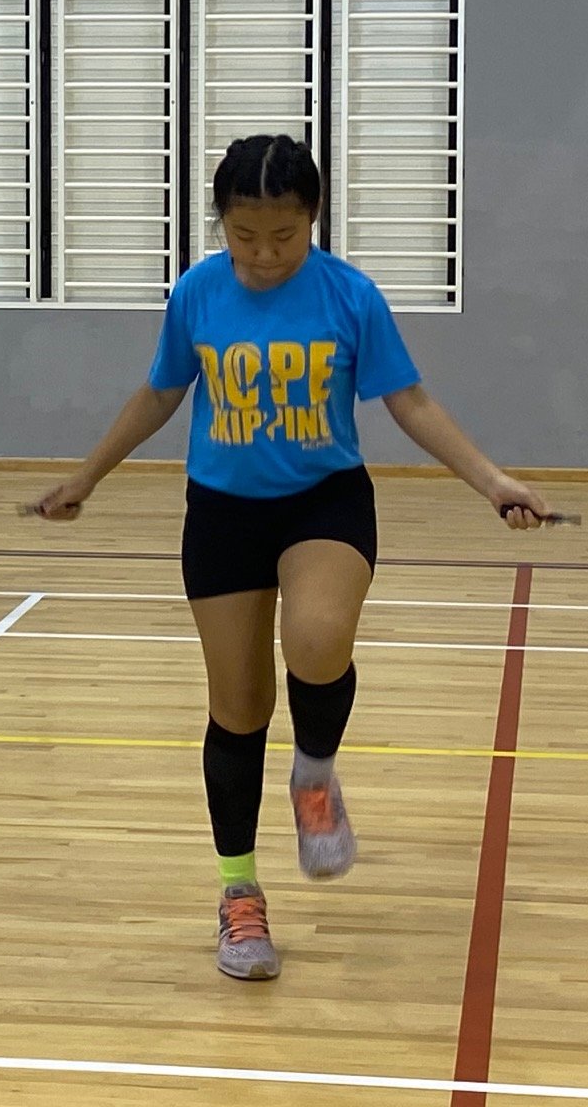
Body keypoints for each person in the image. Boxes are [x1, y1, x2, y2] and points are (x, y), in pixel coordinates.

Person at [30, 134, 551, 980]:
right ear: (221, 224)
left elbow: (409, 401)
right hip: (224, 513)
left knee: (316, 637)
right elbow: (162, 390)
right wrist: (87, 475)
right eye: (245, 236)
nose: (264, 255)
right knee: (237, 709)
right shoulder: (197, 293)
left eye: (283, 236)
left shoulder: (349, 296)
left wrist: (492, 481)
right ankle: (239, 898)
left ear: (312, 219)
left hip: (324, 500)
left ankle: (314, 774)